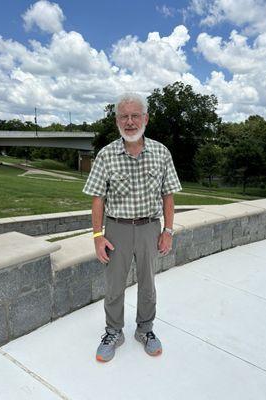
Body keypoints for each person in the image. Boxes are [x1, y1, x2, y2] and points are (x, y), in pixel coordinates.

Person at [83, 93, 182, 362]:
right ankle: (114, 331)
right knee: (114, 285)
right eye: (124, 116)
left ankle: (145, 330)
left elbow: (169, 196)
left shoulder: (161, 153)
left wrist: (168, 231)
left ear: (145, 119)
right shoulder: (106, 155)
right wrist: (97, 236)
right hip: (117, 230)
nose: (129, 121)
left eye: (135, 115)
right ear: (117, 120)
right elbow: (97, 198)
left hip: (151, 228)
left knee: (148, 285)